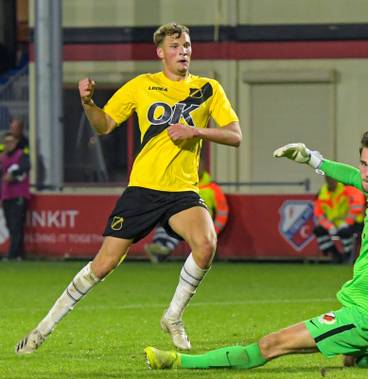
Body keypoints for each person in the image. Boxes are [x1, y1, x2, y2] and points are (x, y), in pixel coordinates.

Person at [143, 127, 368, 372]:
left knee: (270, 345)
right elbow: (352, 177)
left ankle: (176, 362)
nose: (367, 172)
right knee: (353, 359)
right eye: (364, 163)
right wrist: (312, 158)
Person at [15, 23, 242, 354]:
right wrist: (88, 102)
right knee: (103, 265)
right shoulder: (143, 86)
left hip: (182, 191)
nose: (184, 51)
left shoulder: (209, 89)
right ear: (161, 52)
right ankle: (42, 330)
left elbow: (235, 135)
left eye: (188, 45)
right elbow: (104, 124)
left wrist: (197, 132)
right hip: (143, 190)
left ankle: (173, 316)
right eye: (176, 46)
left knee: (206, 244)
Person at [144, 170, 229, 263]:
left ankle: (163, 247)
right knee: (169, 220)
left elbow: (222, 212)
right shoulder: (182, 185)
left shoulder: (213, 188)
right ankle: (161, 248)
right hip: (183, 218)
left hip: (202, 224)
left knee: (177, 225)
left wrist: (214, 232)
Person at [313, 175, 365, 263]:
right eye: (328, 179)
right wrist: (329, 226)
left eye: (332, 179)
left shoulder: (347, 189)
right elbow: (319, 215)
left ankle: (348, 255)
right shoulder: (322, 193)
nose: (330, 181)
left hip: (353, 222)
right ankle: (335, 254)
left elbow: (357, 206)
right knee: (318, 230)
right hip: (333, 224)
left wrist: (346, 222)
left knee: (345, 232)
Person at [1, 132, 31, 260]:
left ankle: (14, 254)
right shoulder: (2, 157)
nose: (9, 144)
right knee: (10, 224)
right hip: (6, 196)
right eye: (6, 142)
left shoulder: (21, 155)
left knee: (16, 224)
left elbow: (26, 167)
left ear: (15, 143)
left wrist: (13, 174)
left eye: (11, 142)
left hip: (18, 195)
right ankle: (17, 253)